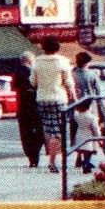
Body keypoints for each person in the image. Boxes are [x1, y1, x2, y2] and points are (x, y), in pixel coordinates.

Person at [33, 39, 74, 174]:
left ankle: (50, 153)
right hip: (58, 98)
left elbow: (33, 82)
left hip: (42, 98)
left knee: (47, 128)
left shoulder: (37, 61)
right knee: (57, 130)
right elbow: (68, 82)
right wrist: (73, 96)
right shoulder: (63, 61)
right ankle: (52, 161)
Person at [69, 52, 103, 171]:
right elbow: (99, 94)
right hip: (90, 108)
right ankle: (86, 160)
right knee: (90, 133)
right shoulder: (92, 75)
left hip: (73, 108)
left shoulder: (71, 75)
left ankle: (79, 156)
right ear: (88, 63)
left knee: (77, 134)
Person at [15, 51, 44, 169]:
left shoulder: (17, 72)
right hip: (35, 106)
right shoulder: (33, 72)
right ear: (29, 60)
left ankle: (30, 156)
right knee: (40, 131)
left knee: (25, 133)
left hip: (22, 107)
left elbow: (15, 86)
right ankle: (35, 153)